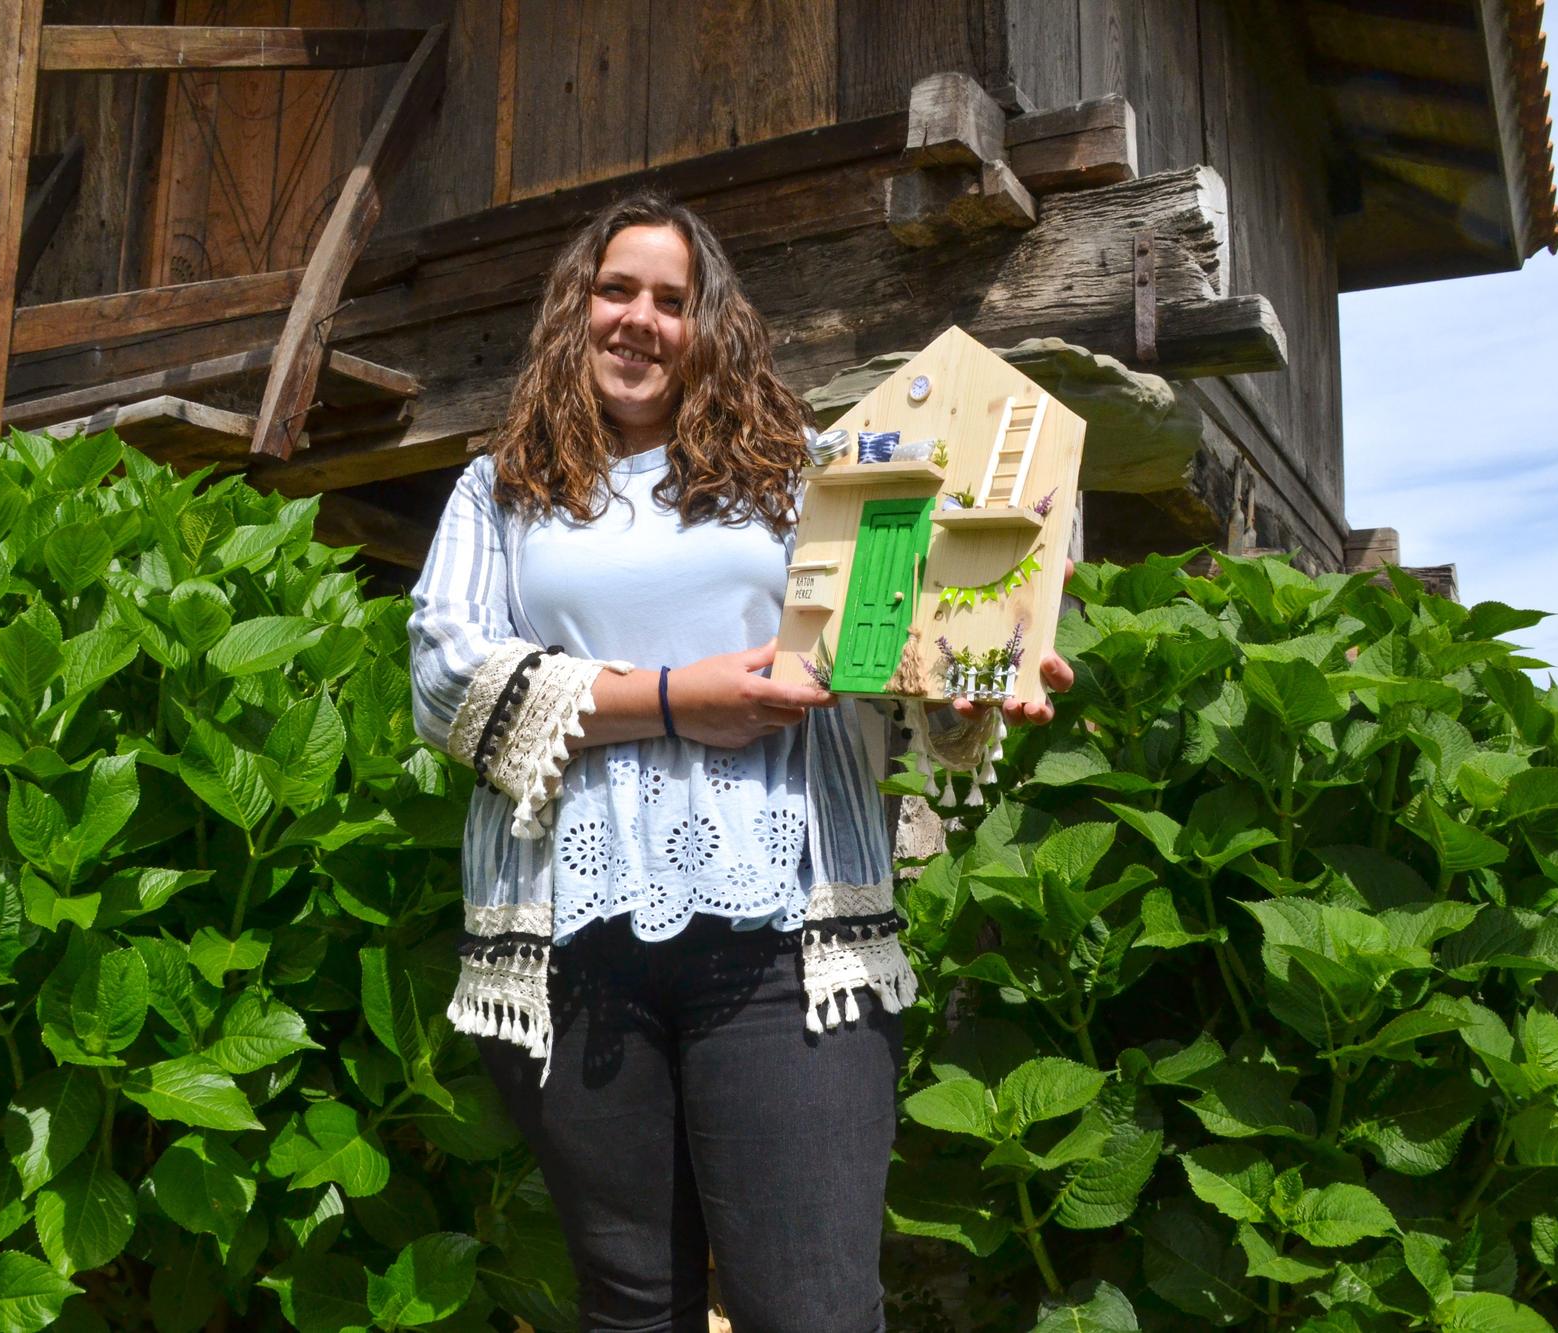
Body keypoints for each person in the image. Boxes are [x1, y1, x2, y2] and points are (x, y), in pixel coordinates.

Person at [406, 192, 1071, 1333]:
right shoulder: (499, 489)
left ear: (711, 324)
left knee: (808, 1308)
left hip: (787, 938)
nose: (641, 320)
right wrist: (676, 700)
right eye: (617, 290)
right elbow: (444, 677)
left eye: (673, 300)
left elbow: (898, 657)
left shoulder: (808, 478)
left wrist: (976, 679)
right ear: (574, 310)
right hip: (572, 941)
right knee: (631, 1307)